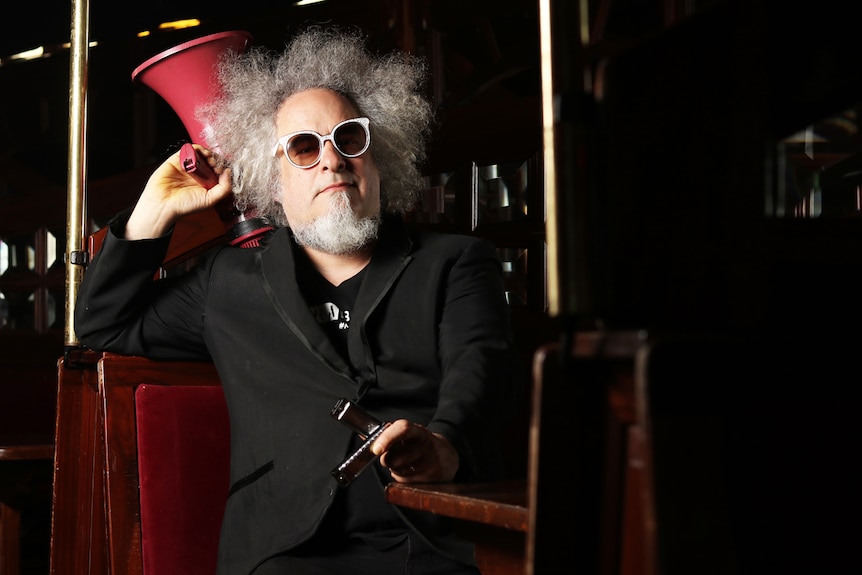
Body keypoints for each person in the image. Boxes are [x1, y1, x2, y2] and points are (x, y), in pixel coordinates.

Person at [74, 25, 519, 575]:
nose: (331, 161)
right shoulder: (227, 281)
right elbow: (101, 324)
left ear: (380, 158)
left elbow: (480, 374)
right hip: (282, 552)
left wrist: (445, 447)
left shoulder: (456, 261)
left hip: (430, 543)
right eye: (304, 148)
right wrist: (151, 215)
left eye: (349, 140)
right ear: (273, 179)